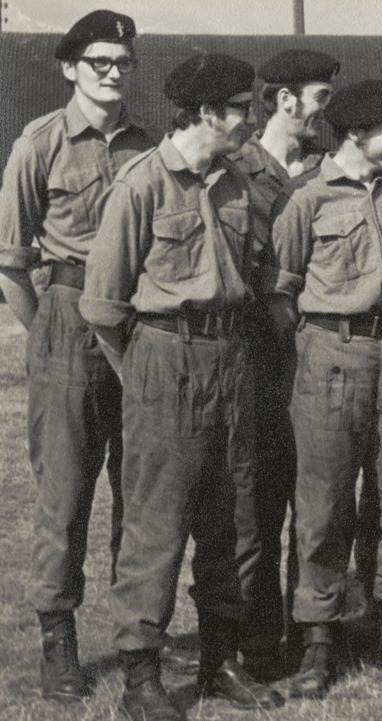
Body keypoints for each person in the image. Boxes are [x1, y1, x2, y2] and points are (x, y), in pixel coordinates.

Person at [81, 52, 283, 721]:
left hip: (231, 356)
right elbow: (105, 308)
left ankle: (219, 660)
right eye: (241, 109)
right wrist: (144, 380)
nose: (253, 119)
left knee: (231, 521)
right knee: (156, 526)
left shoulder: (236, 184)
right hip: (165, 359)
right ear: (205, 114)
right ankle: (141, 673)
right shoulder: (142, 184)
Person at [263, 79, 382, 699]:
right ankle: (316, 639)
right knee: (322, 505)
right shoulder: (307, 199)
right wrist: (319, 352)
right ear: (355, 135)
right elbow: (280, 292)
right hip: (330, 357)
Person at [0, 9, 151, 703]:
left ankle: (136, 638)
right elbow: (10, 262)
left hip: (139, 324)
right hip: (66, 315)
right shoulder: (41, 143)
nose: (113, 73)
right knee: (64, 494)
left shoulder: (149, 146)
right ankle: (57, 636)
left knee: (140, 488)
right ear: (70, 68)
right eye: (99, 62)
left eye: (122, 62)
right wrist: (47, 336)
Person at [228, 47, 338, 681]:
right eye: (319, 98)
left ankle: (314, 632)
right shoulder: (237, 167)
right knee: (259, 503)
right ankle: (259, 635)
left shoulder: (329, 170)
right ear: (284, 99)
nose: (324, 112)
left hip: (321, 358)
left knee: (320, 499)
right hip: (260, 361)